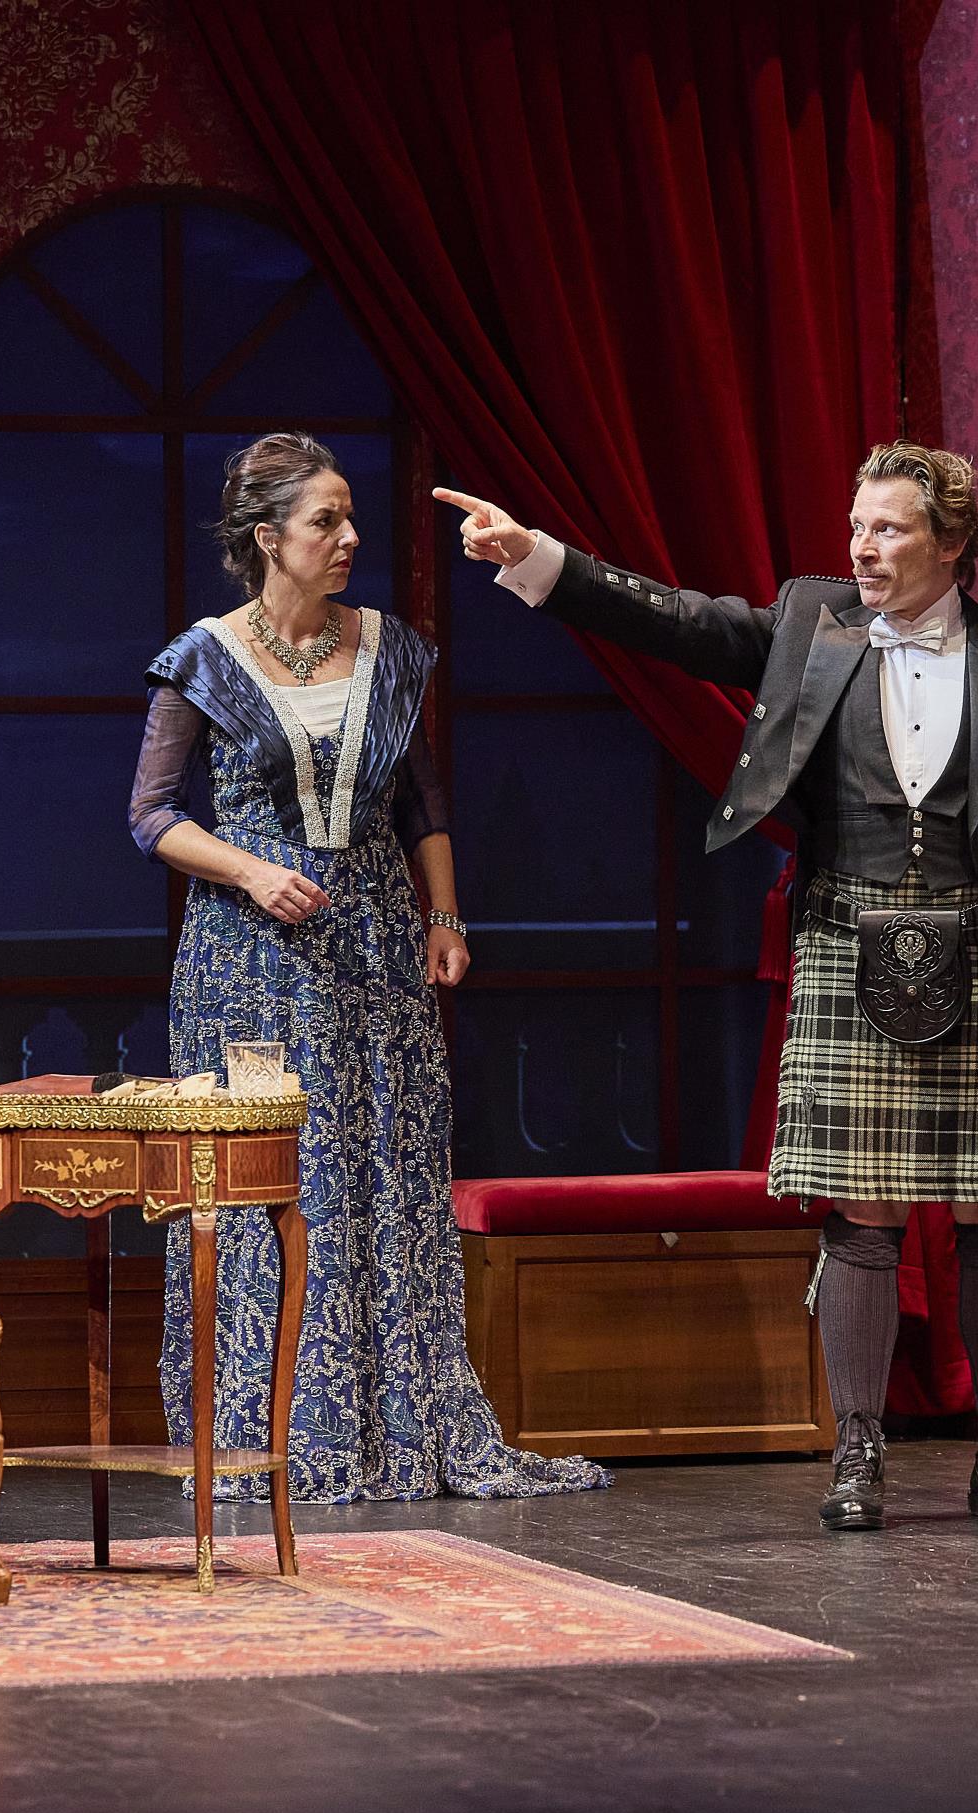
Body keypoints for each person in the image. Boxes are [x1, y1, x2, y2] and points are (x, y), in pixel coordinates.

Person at [438, 442, 978, 1534]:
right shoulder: (810, 622)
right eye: (857, 526)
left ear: (952, 543)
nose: (861, 547)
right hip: (846, 940)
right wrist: (536, 556)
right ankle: (857, 1450)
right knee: (862, 1210)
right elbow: (676, 620)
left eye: (887, 528)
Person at [129, 432, 607, 1504]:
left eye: (350, 518)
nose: (349, 538)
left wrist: (444, 912)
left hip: (377, 942)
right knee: (275, 1181)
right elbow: (151, 815)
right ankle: (271, 1431)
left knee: (382, 1169)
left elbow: (422, 799)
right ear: (269, 539)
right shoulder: (204, 657)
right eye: (325, 521)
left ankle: (397, 1425)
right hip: (250, 962)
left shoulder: (385, 647)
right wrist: (252, 871)